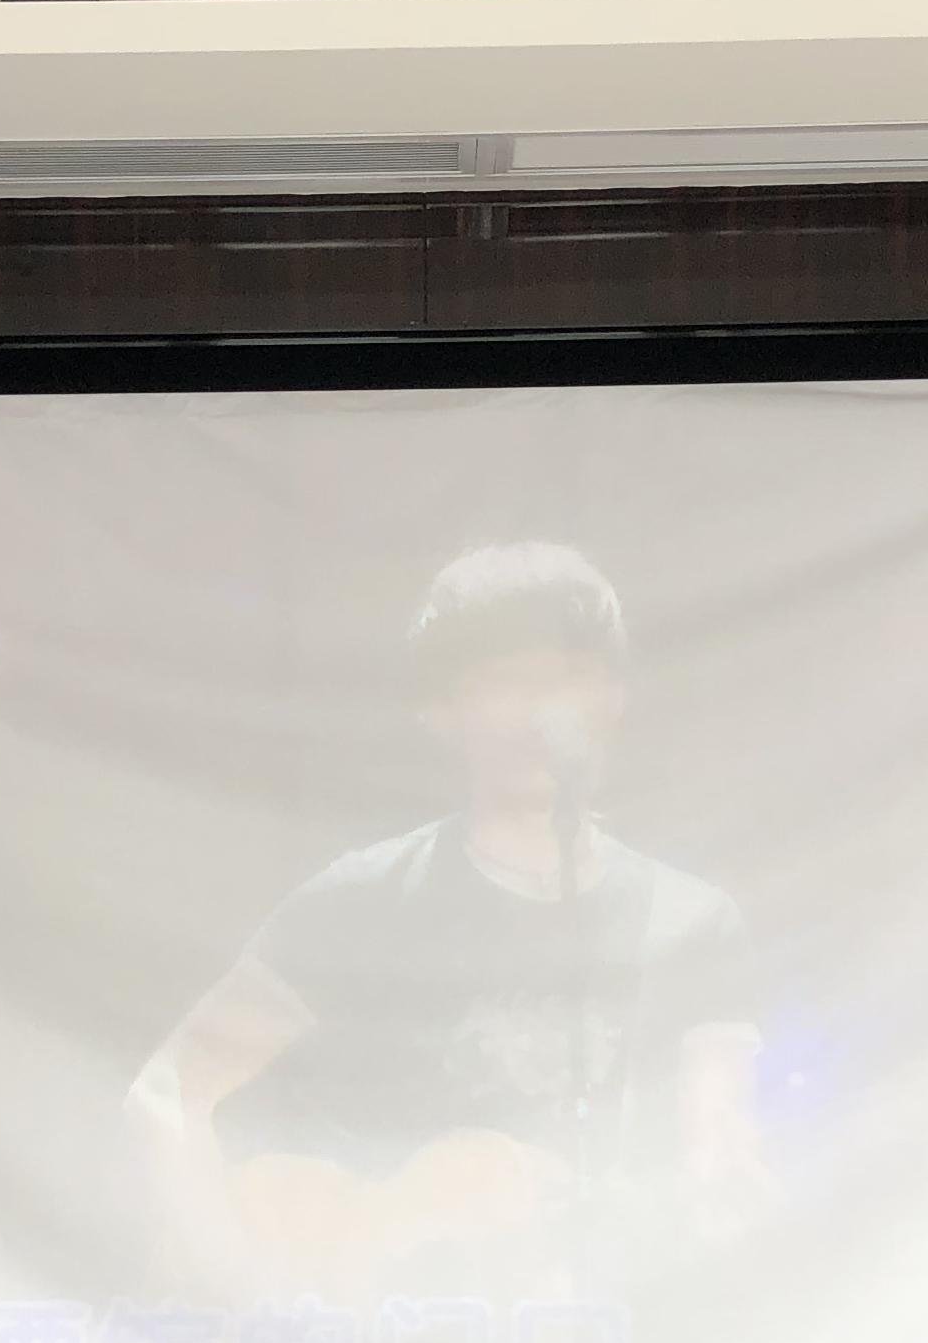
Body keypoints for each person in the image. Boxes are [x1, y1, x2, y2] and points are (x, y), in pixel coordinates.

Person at [129, 542, 764, 1283]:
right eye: (505, 680)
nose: (544, 710)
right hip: (379, 1338)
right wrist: (237, 1282)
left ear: (615, 700)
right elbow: (168, 1093)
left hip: (590, 1333)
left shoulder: (691, 923)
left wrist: (727, 1207)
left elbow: (717, 1156)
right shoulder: (360, 902)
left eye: (572, 675)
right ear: (441, 711)